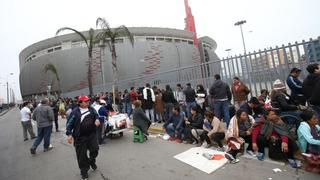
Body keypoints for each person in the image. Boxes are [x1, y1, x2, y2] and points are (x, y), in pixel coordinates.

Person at [66, 95, 101, 180]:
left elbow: (96, 115)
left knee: (95, 149)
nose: (88, 102)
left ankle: (91, 161)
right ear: (80, 103)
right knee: (81, 156)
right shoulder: (75, 112)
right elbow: (69, 124)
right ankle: (84, 172)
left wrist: (97, 119)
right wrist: (69, 134)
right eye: (85, 101)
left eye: (88, 100)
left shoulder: (91, 109)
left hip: (91, 135)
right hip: (80, 137)